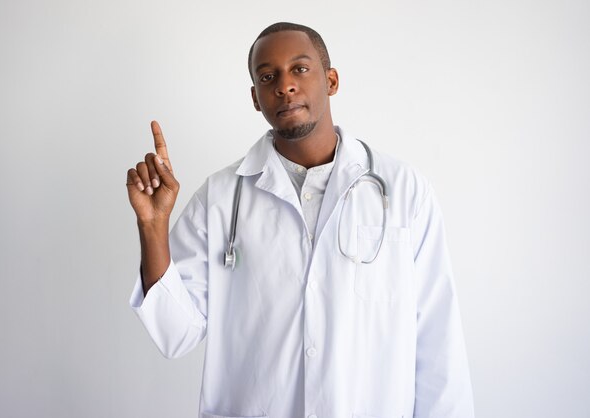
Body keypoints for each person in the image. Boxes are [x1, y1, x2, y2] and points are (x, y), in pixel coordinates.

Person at [126, 22, 474, 418]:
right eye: (267, 76)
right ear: (256, 98)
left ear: (332, 80)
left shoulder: (403, 190)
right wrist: (152, 227)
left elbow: (437, 339)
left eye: (300, 69)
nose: (284, 85)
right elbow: (174, 333)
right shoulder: (221, 198)